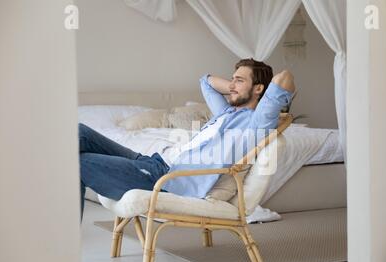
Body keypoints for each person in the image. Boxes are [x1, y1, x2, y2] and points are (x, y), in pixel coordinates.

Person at [79, 58, 295, 220]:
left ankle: (64, 243)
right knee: (79, 132)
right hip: (154, 162)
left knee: (77, 163)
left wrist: (259, 92)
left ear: (259, 89)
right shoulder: (225, 112)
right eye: (232, 80)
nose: (231, 86)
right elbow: (206, 82)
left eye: (239, 80)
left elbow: (284, 78)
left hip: (164, 181)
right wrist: (236, 84)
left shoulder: (257, 122)